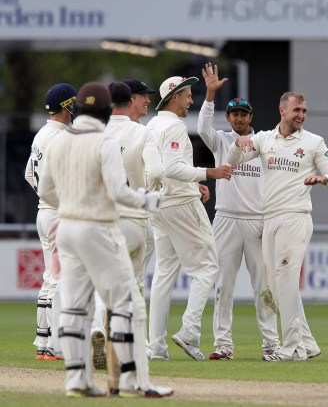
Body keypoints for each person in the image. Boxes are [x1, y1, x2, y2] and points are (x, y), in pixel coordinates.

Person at [38, 81, 172, 398]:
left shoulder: (58, 141)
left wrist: (71, 204)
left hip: (67, 229)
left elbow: (44, 190)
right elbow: (118, 192)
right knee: (127, 304)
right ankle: (132, 381)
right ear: (106, 111)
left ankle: (77, 380)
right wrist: (147, 200)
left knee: (75, 307)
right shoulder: (104, 142)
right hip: (97, 228)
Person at [227, 91, 328, 362]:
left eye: (304, 111)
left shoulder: (313, 142)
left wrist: (322, 179)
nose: (301, 115)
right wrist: (238, 143)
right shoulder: (264, 139)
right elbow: (234, 160)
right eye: (296, 110)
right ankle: (308, 343)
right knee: (276, 287)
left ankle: (292, 348)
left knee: (286, 278)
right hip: (270, 217)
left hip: (296, 217)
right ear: (282, 111)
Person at [146, 75, 233, 361]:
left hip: (159, 204)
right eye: (187, 96)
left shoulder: (152, 125)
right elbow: (172, 168)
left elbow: (161, 169)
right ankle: (190, 332)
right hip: (180, 204)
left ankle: (156, 347)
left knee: (163, 274)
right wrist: (208, 173)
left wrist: (193, 183)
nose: (190, 101)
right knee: (207, 267)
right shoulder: (174, 126)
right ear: (174, 97)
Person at [197, 63, 279, 360]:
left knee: (263, 286)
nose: (239, 118)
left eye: (244, 114)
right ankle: (223, 345)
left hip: (256, 220)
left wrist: (269, 220)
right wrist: (210, 94)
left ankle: (271, 344)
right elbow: (201, 128)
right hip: (226, 219)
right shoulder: (221, 140)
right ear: (228, 117)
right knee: (224, 285)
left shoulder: (264, 143)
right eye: (234, 114)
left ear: (251, 117)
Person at [25, 82, 77, 361]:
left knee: (50, 277)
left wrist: (45, 197)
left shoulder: (42, 134)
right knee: (60, 278)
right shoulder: (60, 137)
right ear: (66, 106)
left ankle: (43, 342)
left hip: (44, 211)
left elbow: (29, 175)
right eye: (74, 103)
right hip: (58, 214)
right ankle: (53, 344)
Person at [122, 79, 159, 293]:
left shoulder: (103, 129)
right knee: (133, 281)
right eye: (143, 96)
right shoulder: (142, 133)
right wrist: (147, 198)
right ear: (130, 100)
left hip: (105, 215)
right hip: (134, 215)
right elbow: (155, 173)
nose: (148, 100)